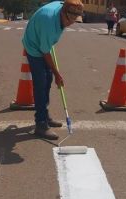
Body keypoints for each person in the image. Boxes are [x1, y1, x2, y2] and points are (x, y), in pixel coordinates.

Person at [22, 0, 84, 140]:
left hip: (43, 40)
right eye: (71, 19)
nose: (72, 23)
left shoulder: (63, 7)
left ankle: (45, 113)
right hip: (34, 46)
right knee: (41, 83)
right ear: (63, 13)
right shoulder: (49, 23)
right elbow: (45, 51)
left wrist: (53, 74)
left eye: (76, 19)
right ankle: (41, 124)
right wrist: (57, 74)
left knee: (48, 79)